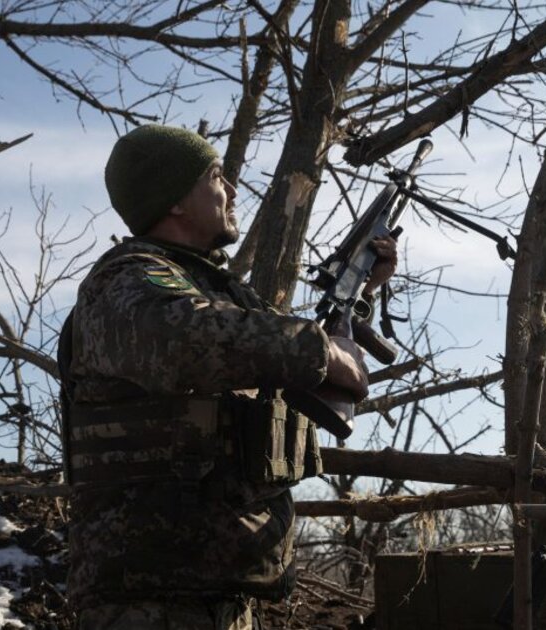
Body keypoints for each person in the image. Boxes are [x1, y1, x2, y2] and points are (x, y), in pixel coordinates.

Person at [58, 124, 397, 629]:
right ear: (175, 200)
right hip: (148, 601)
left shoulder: (209, 288)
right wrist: (322, 350)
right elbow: (186, 340)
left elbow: (269, 351)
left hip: (218, 596)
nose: (233, 190)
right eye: (216, 176)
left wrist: (360, 292)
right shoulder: (125, 280)